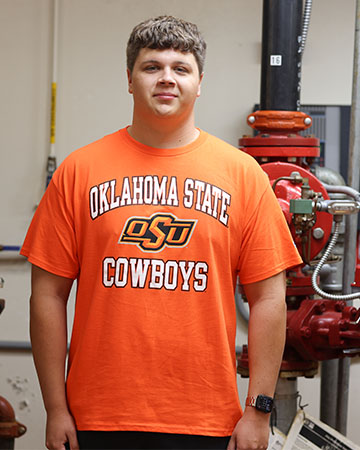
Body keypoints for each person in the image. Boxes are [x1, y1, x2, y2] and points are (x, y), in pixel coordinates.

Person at [21, 15, 302, 450]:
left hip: (209, 422)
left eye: (180, 68)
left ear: (199, 82)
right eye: (152, 67)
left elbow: (268, 298)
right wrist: (56, 408)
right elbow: (47, 294)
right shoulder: (79, 171)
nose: (166, 79)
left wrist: (258, 409)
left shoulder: (243, 175)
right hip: (98, 417)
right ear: (129, 79)